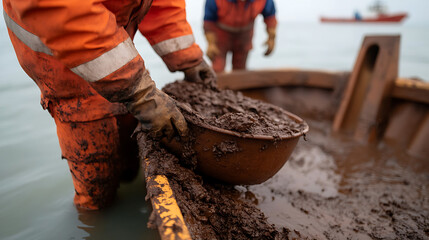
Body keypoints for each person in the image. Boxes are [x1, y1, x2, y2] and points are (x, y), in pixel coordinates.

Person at [3, 0, 215, 210]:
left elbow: (162, 4)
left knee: (130, 168)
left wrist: (187, 56)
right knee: (97, 197)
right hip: (68, 76)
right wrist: (139, 90)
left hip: (119, 61)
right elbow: (62, 9)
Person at [204, 0, 277, 73]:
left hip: (244, 36)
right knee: (218, 67)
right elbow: (208, 21)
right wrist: (211, 44)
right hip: (220, 36)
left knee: (240, 69)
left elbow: (270, 16)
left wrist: (271, 38)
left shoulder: (263, 1)